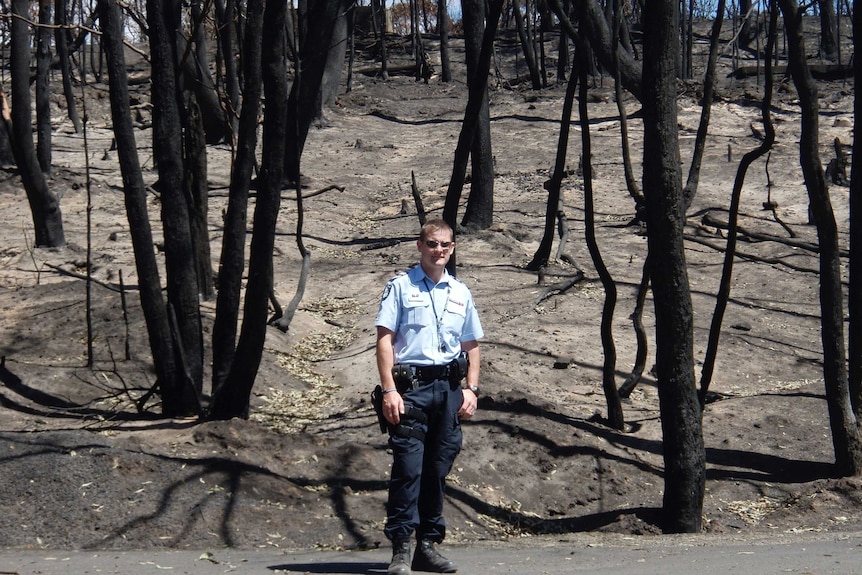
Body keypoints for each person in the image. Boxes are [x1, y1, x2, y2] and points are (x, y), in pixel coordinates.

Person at [375, 219, 483, 575]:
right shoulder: (401, 287)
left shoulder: (460, 292)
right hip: (412, 391)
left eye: (445, 245)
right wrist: (389, 389)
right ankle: (401, 549)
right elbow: (385, 340)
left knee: (437, 470)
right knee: (408, 469)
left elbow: (471, 345)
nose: (439, 250)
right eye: (433, 244)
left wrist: (472, 388)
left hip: (449, 391)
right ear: (420, 246)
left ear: (452, 249)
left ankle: (427, 545)